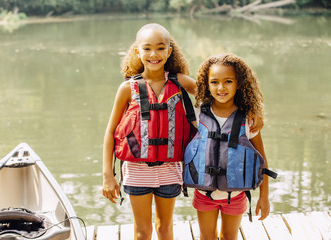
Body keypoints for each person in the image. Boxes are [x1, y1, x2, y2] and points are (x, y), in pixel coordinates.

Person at [102, 23, 263, 240]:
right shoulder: (127, 89)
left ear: (169, 51)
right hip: (136, 171)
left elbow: (218, 94)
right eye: (147, 48)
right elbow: (110, 132)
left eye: (160, 48)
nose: (154, 54)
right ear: (137, 51)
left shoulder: (180, 83)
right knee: (141, 232)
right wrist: (107, 175)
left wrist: (252, 110)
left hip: (170, 169)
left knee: (165, 229)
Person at [190, 53, 270, 240]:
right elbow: (181, 80)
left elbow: (262, 159)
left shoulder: (249, 120)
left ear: (239, 84)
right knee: (206, 237)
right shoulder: (197, 113)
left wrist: (264, 197)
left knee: (229, 237)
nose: (221, 88)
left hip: (235, 195)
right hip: (204, 193)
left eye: (228, 81)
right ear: (206, 85)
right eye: (214, 82)